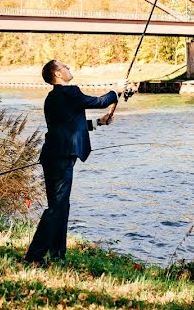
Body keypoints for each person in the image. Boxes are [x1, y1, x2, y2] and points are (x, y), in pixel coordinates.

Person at [24, 60, 134, 264]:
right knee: (57, 207)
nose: (69, 69)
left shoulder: (53, 98)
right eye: (66, 67)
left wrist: (98, 122)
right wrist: (117, 90)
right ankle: (34, 256)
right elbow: (100, 102)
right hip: (61, 158)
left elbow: (69, 126)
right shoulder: (70, 93)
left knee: (61, 206)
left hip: (53, 156)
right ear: (57, 73)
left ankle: (58, 254)